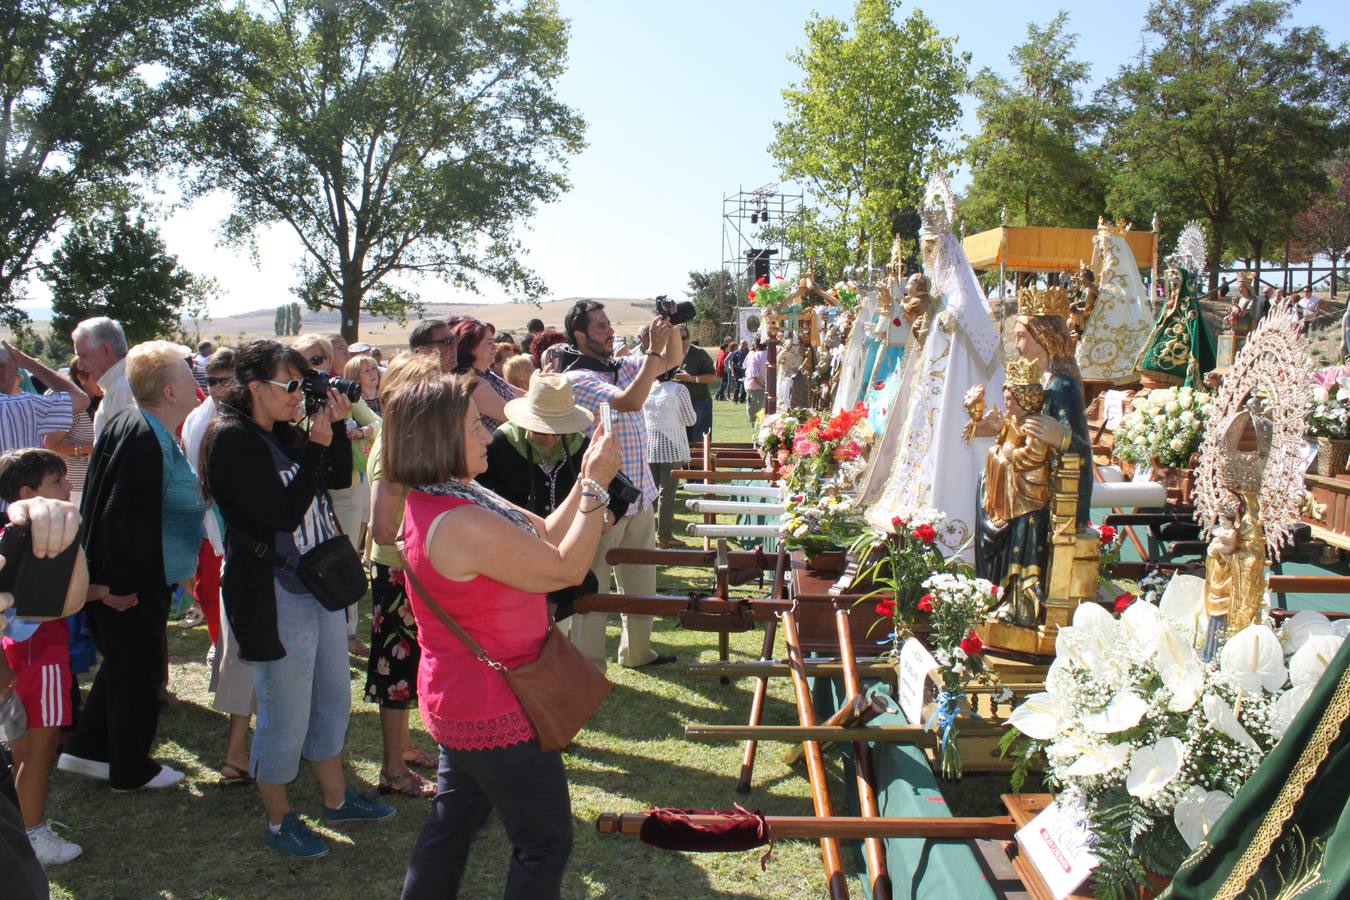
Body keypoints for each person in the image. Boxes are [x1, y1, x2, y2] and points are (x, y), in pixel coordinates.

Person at [387, 370, 620, 899]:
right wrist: (596, 488)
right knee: (544, 843)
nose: (488, 435)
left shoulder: (450, 497)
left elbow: (541, 534)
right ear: (439, 439)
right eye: (476, 427)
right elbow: (564, 568)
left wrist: (586, 481)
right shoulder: (459, 519)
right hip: (497, 706)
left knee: (452, 826)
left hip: (465, 697)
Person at [202, 339, 393, 858]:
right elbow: (278, 513)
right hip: (273, 591)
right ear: (255, 387)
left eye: (302, 383)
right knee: (284, 706)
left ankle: (335, 798)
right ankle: (278, 818)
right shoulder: (230, 439)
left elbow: (333, 477)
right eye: (291, 385)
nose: (298, 395)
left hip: (318, 585)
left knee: (331, 692)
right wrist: (312, 444)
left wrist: (325, 434)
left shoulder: (283, 430)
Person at [59, 341, 204, 792]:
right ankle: (130, 768)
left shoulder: (131, 420)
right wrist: (111, 588)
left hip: (126, 575)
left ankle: (86, 750)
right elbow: (124, 518)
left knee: (122, 666)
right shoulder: (145, 438)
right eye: (187, 376)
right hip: (131, 583)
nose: (195, 384)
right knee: (138, 673)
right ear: (169, 390)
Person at [557, 299, 683, 669]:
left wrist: (669, 326)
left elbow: (670, 362)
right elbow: (629, 402)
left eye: (609, 324)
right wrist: (653, 350)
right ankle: (588, 667)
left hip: (639, 497)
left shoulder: (618, 367)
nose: (610, 331)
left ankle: (638, 652)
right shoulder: (578, 378)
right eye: (600, 327)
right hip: (600, 503)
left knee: (642, 585)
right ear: (579, 336)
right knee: (594, 590)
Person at [0, 451, 88, 865]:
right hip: (42, 655)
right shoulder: (33, 541)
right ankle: (33, 833)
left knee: (27, 746)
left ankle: (24, 827)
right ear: (27, 495)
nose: (67, 490)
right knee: (39, 747)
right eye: (57, 483)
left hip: (31, 655)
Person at [365, 352, 443, 799]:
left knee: (409, 666)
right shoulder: (394, 445)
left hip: (410, 569)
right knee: (395, 670)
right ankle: (393, 771)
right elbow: (381, 527)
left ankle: (405, 748)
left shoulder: (409, 437)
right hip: (399, 573)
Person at [182, 348, 256, 785]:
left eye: (229, 379)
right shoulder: (217, 426)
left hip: (243, 551)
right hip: (241, 552)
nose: (222, 388)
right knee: (244, 654)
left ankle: (245, 751)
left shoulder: (241, 422)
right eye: (213, 380)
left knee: (247, 653)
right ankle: (236, 754)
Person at [294, 334, 377, 646]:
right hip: (304, 503)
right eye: (311, 360)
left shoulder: (337, 391)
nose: (319, 366)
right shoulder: (292, 401)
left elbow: (376, 425)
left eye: (323, 359)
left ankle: (347, 630)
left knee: (343, 559)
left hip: (345, 489)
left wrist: (349, 426)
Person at [0, 344, 88, 471]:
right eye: (16, 372)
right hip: (18, 488)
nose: (20, 377)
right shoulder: (25, 406)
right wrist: (28, 362)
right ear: (5, 372)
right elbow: (81, 399)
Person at [645, 368, 696, 548]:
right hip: (671, 445)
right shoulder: (679, 390)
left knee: (650, 494)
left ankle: (645, 535)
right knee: (667, 493)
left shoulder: (648, 388)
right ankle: (664, 536)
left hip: (649, 445)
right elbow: (691, 419)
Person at [42, 358, 98, 506]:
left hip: (88, 482)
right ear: (81, 377)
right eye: (98, 374)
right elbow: (50, 444)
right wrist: (89, 449)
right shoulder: (70, 403)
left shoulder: (94, 400)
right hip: (73, 486)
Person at [451, 318, 523, 431]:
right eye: (489, 342)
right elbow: (513, 417)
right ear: (472, 348)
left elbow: (523, 395)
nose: (495, 347)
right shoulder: (473, 383)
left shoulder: (487, 374)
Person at [71, 317, 131, 436]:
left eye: (83, 356)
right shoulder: (119, 384)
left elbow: (124, 449)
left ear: (105, 349)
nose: (80, 366)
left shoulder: (121, 389)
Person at [673, 326, 715, 450]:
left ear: (689, 338)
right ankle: (685, 468)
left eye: (684, 338)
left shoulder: (699, 353)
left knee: (699, 442)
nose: (681, 341)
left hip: (699, 402)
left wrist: (691, 378)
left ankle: (699, 468)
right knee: (681, 443)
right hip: (675, 405)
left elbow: (712, 376)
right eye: (677, 338)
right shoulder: (667, 354)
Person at [743, 338, 768, 426]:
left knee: (755, 416)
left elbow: (755, 375)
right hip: (765, 388)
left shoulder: (755, 356)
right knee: (763, 415)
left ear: (755, 344)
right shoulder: (770, 354)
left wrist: (763, 386)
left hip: (756, 389)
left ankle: (756, 437)